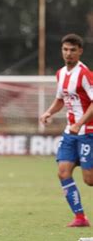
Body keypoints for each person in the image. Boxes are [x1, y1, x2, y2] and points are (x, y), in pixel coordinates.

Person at [40, 33, 93, 227]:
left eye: (72, 50)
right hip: (70, 133)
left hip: (88, 131)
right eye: (65, 49)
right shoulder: (61, 73)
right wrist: (49, 112)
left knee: (89, 180)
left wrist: (80, 122)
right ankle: (80, 217)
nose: (68, 53)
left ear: (80, 51)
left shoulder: (85, 74)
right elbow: (61, 99)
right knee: (63, 172)